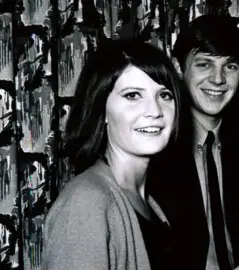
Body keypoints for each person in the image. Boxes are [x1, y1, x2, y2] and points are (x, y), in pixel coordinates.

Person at [43, 39, 183, 269]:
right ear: (102, 109)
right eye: (132, 96)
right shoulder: (85, 203)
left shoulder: (149, 202)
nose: (155, 111)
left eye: (164, 95)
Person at [147, 15, 239, 270]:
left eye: (230, 66)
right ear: (178, 67)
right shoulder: (153, 152)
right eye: (204, 64)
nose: (218, 79)